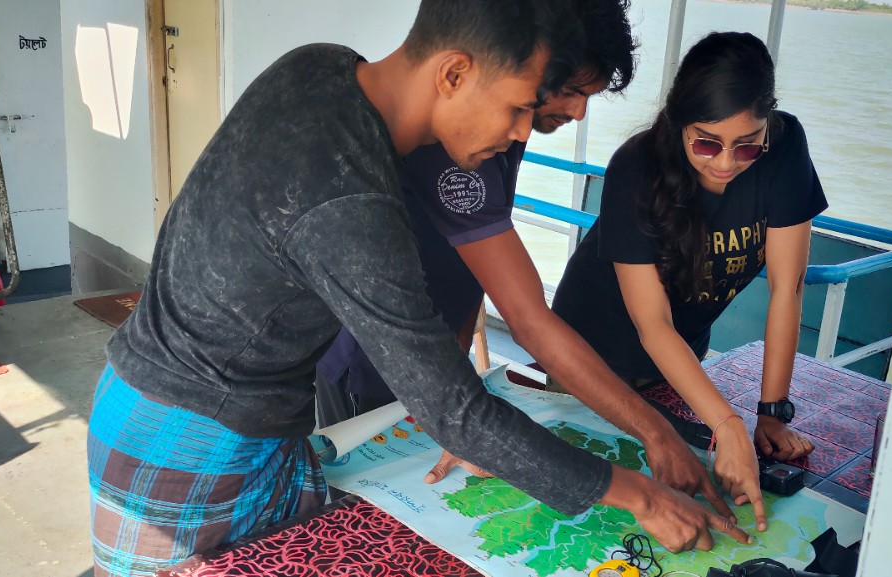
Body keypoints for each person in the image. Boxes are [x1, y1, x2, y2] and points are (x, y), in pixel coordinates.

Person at [86, 2, 747, 575]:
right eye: (519, 107)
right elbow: (457, 413)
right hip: (184, 454)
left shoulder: (320, 66)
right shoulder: (351, 199)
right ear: (453, 73)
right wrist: (640, 495)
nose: (522, 131)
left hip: (186, 407)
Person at [312, 0, 765, 532]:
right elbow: (527, 320)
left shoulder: (507, 128)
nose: (578, 113)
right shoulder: (458, 140)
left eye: (589, 96)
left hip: (439, 360)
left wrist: (459, 386)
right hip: (372, 365)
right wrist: (655, 436)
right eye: (569, 90)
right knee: (374, 524)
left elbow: (467, 268)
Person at [552, 31, 826, 515]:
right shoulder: (636, 167)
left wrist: (771, 414)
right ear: (680, 123)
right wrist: (728, 424)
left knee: (686, 500)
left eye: (747, 147)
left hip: (679, 367)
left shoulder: (785, 147)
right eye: (706, 143)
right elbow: (652, 322)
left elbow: (788, 287)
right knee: (594, 508)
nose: (725, 163)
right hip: (592, 359)